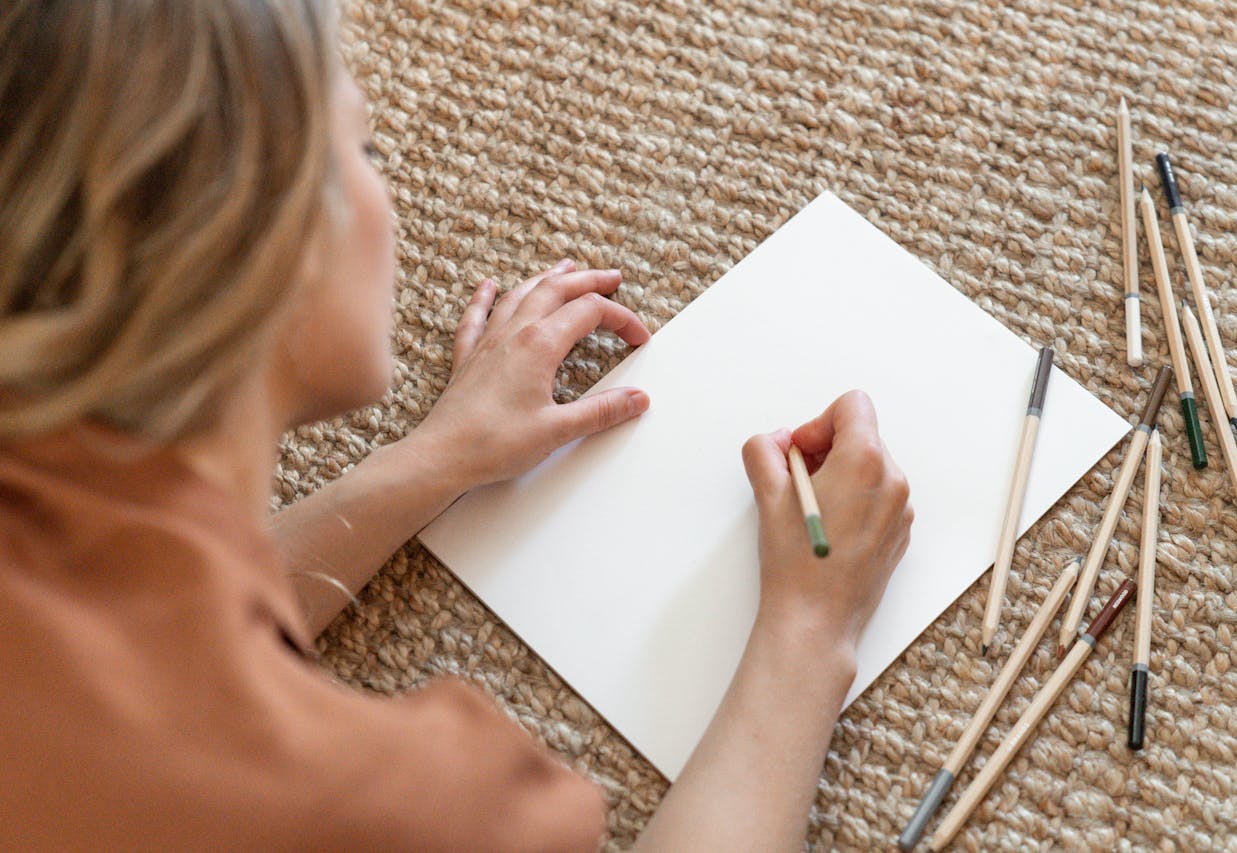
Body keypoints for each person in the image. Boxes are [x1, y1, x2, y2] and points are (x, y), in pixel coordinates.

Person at [0, 1, 913, 850]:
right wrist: (808, 629)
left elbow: (148, 648)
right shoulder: (416, 803)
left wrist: (434, 459)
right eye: (359, 145)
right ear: (248, 243)